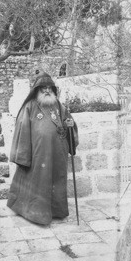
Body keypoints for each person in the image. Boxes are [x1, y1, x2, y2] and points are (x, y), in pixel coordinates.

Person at [7, 71, 78, 225]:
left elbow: (68, 123)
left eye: (49, 88)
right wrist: (23, 155)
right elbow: (22, 129)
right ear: (37, 90)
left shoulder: (59, 106)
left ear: (53, 90)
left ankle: (57, 211)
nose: (47, 90)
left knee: (56, 181)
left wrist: (70, 125)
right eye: (43, 88)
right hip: (38, 154)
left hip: (58, 153)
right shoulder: (29, 107)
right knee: (39, 182)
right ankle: (35, 214)